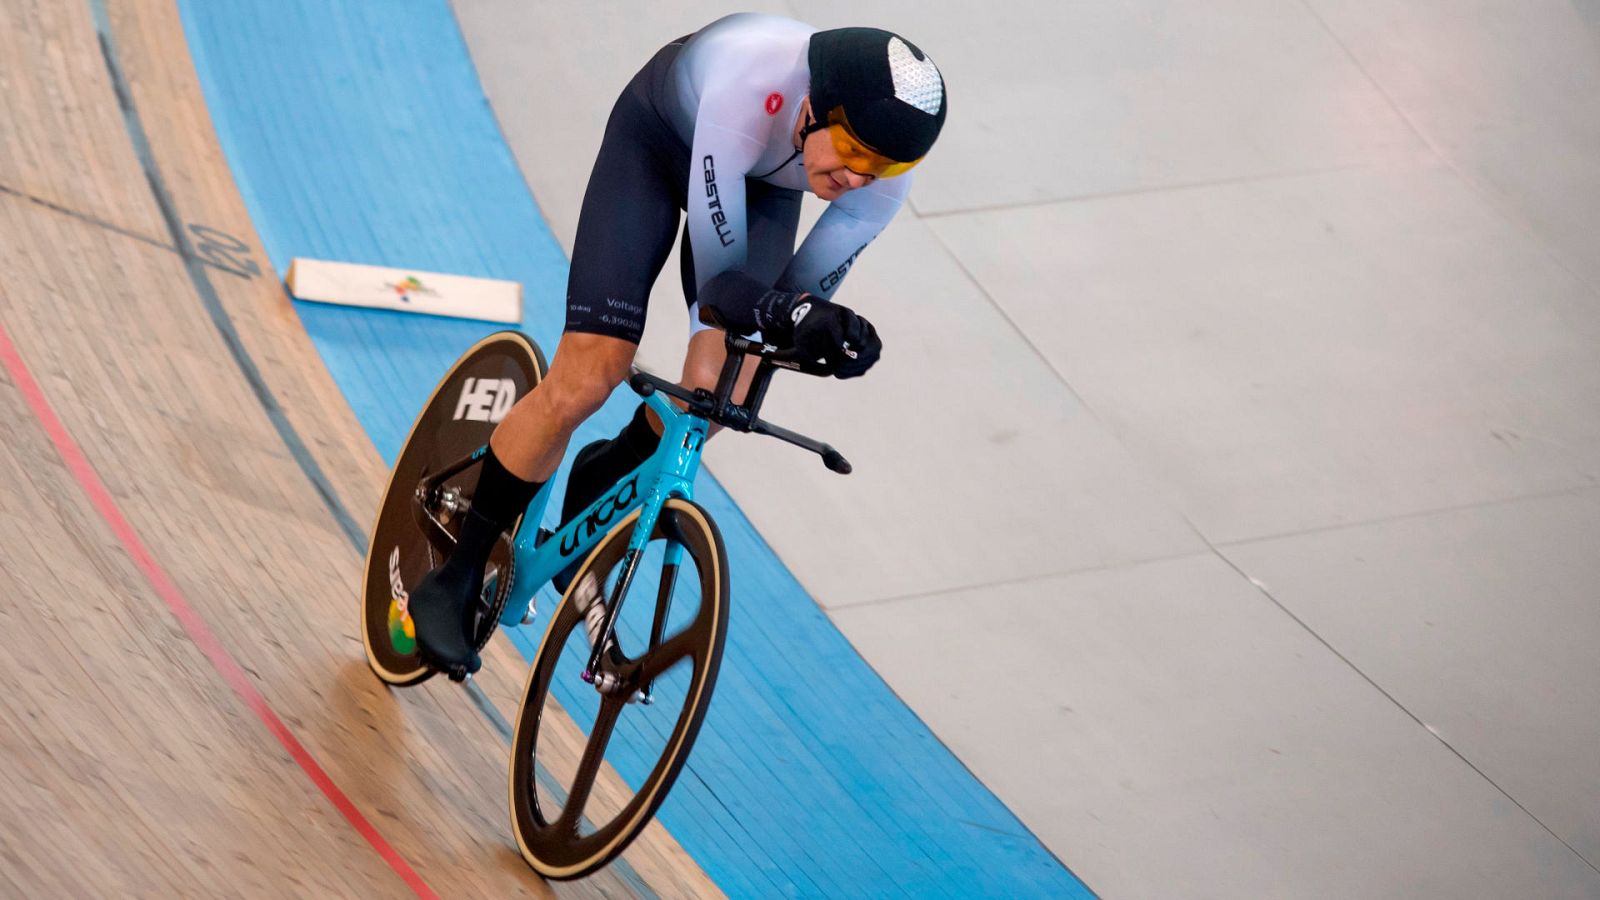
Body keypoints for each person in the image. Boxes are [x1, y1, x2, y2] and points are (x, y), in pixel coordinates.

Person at [409, 13, 948, 674]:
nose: (861, 180)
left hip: (759, 185)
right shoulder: (747, 83)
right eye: (855, 154)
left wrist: (824, 329)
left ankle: (607, 470)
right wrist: (789, 310)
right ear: (812, 108)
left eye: (884, 166)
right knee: (590, 374)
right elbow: (723, 287)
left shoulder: (881, 182)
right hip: (657, 143)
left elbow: (784, 308)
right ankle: (459, 573)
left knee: (727, 389)